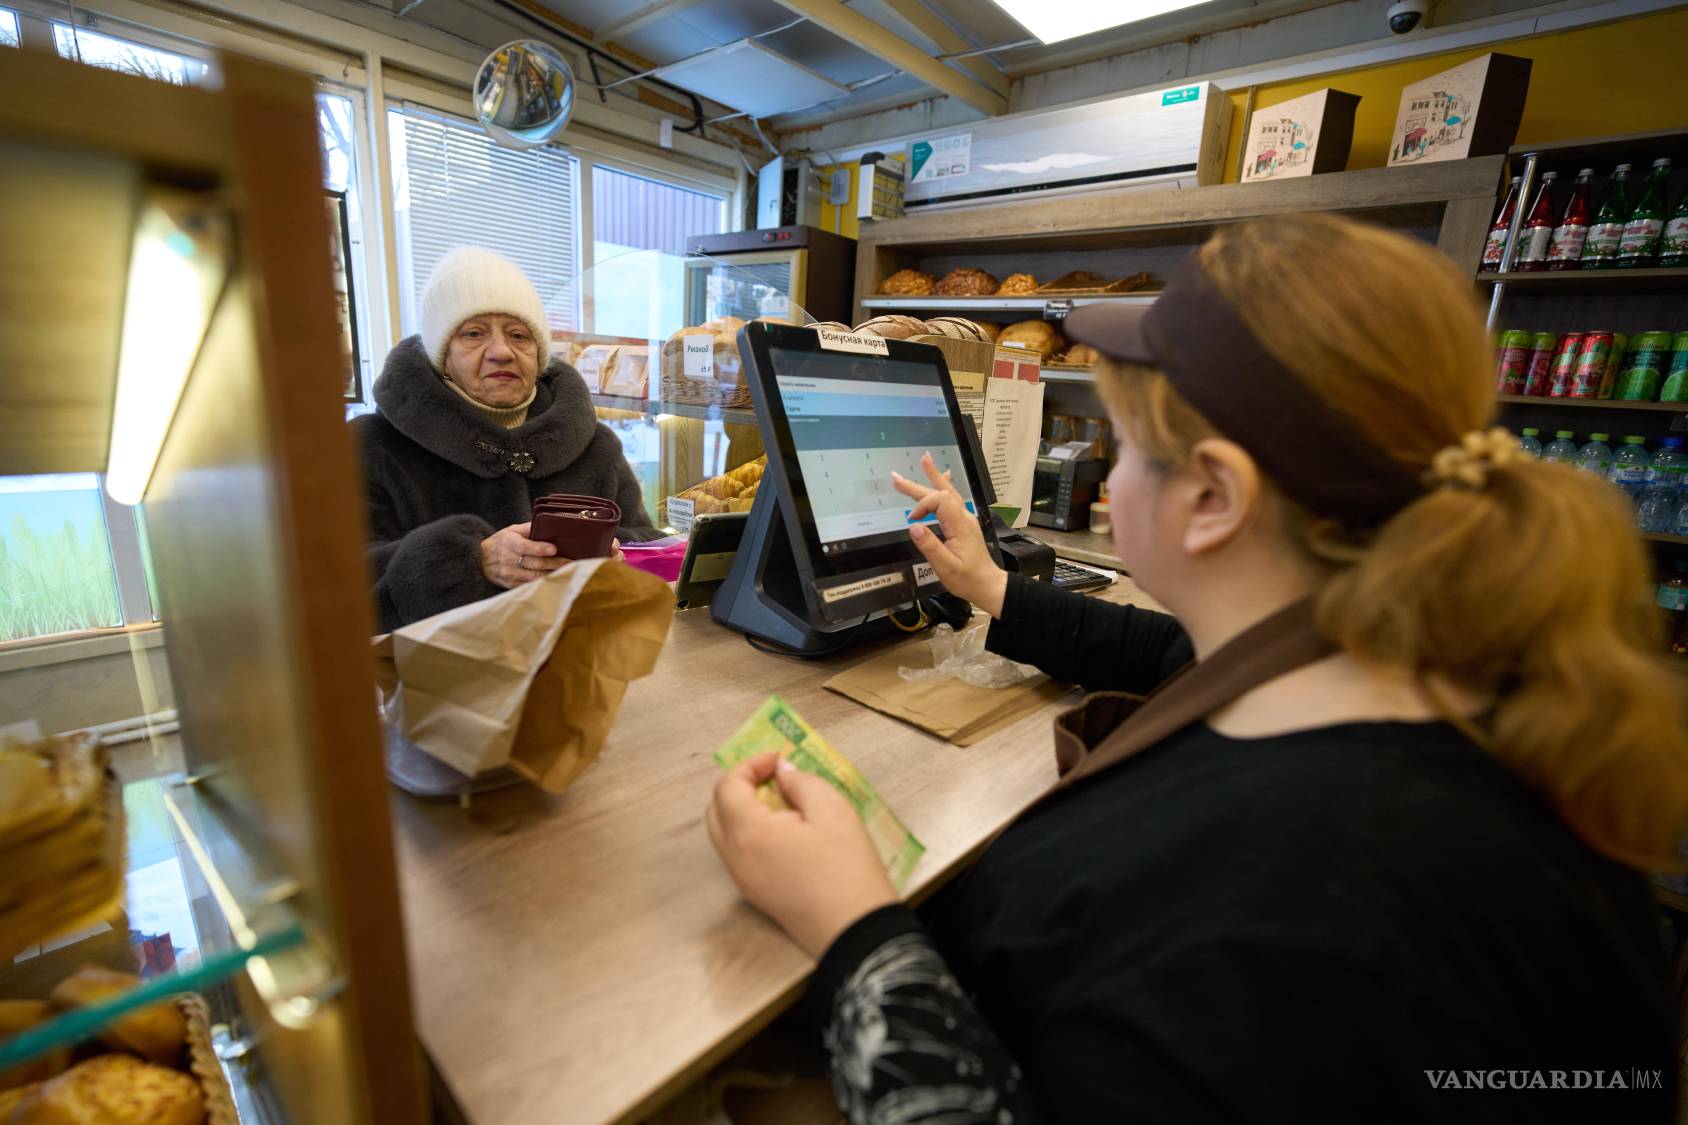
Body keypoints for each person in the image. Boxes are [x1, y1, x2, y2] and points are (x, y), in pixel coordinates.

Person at [706, 214, 1688, 1122]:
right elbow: (1166, 652)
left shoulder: (1275, 916)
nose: (1112, 476)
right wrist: (993, 588)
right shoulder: (1407, 665)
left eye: (1126, 449)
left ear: (1213, 496)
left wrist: (855, 927)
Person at [354, 247, 656, 631]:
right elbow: (341, 584)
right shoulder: (372, 447)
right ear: (441, 356)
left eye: (519, 335)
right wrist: (469, 561)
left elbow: (647, 545)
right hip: (434, 665)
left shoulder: (597, 446)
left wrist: (613, 560)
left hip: (580, 660)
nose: (501, 352)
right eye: (473, 334)